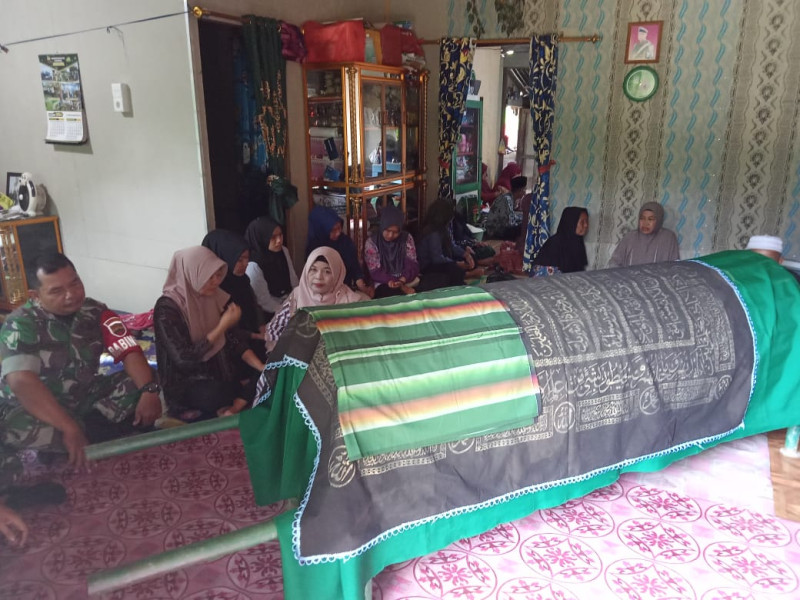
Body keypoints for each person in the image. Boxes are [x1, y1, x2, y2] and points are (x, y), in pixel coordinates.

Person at [0, 253, 162, 478]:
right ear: (35, 295)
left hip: (82, 395)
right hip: (35, 407)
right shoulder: (20, 324)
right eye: (57, 291)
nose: (71, 295)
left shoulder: (96, 311)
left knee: (144, 379)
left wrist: (149, 391)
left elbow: (127, 349)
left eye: (75, 283)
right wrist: (68, 426)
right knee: (13, 426)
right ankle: (87, 435)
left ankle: (76, 439)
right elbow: (21, 382)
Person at [154, 247, 265, 419]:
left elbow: (232, 338)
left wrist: (261, 367)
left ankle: (238, 399)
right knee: (214, 394)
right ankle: (240, 395)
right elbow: (184, 360)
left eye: (218, 275)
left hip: (219, 369)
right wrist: (220, 327)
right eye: (209, 277)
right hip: (187, 380)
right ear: (192, 274)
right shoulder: (167, 309)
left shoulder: (212, 296)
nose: (216, 282)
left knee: (265, 357)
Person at [265, 247, 368, 351]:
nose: (319, 277)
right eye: (313, 269)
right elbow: (275, 330)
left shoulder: (352, 302)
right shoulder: (297, 296)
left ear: (337, 274)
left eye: (327, 271)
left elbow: (362, 341)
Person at [202, 229, 265, 336]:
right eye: (240, 260)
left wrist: (261, 325)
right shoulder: (212, 288)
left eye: (247, 258)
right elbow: (224, 331)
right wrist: (252, 336)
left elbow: (254, 306)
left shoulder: (242, 280)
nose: (246, 264)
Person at [306, 205, 372, 297]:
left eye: (339, 228)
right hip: (321, 293)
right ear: (321, 230)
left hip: (344, 290)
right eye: (333, 230)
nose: (338, 233)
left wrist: (363, 288)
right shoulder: (314, 249)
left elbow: (355, 268)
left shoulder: (345, 242)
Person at [242, 216, 298, 319]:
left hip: (290, 302)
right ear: (261, 237)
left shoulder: (283, 251)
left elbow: (293, 281)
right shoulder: (253, 265)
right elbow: (264, 301)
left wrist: (298, 300)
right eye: (273, 237)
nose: (279, 240)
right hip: (269, 313)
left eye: (280, 235)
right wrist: (288, 312)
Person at [416, 198, 476, 291]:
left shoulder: (443, 228)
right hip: (428, 266)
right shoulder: (432, 232)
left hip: (440, 260)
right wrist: (456, 263)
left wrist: (465, 254)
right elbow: (437, 258)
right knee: (453, 269)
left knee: (468, 258)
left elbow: (452, 246)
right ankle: (462, 281)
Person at [364, 205, 420, 298]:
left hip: (406, 279)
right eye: (387, 230)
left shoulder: (406, 238)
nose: (390, 235)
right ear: (382, 225)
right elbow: (375, 271)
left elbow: (412, 263)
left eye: (395, 232)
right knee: (392, 295)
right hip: (383, 281)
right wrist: (394, 282)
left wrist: (402, 280)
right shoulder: (372, 242)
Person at [608, 202, 680, 267]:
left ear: (659, 220)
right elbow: (614, 262)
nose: (645, 223)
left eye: (650, 219)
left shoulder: (667, 238)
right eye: (642, 218)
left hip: (658, 277)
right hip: (629, 277)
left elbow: (674, 266)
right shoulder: (630, 237)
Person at [531, 207, 589, 276]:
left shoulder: (578, 243)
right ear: (571, 223)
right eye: (582, 222)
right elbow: (543, 275)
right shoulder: (554, 244)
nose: (586, 225)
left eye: (586, 221)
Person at [485, 175, 526, 240]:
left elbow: (511, 216)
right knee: (522, 228)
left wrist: (523, 218)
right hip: (494, 231)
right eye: (524, 189)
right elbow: (509, 223)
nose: (525, 192)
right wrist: (522, 223)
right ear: (519, 190)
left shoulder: (510, 198)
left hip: (500, 228)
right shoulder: (506, 200)